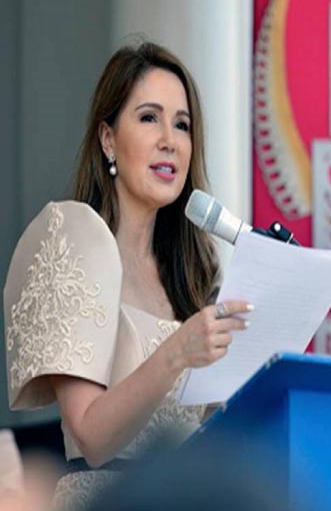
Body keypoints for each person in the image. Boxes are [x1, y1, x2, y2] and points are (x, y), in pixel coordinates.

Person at [2, 42, 252, 510]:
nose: (169, 140)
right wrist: (177, 352)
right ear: (108, 138)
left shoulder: (194, 275)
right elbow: (92, 436)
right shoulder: (74, 240)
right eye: (149, 118)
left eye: (182, 124)